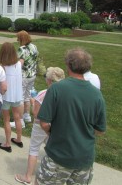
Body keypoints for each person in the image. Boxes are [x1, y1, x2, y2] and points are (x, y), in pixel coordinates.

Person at [35, 48, 106, 185]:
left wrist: (53, 133)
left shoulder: (56, 89)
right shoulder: (97, 95)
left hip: (58, 156)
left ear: (68, 65)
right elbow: (100, 130)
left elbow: (43, 122)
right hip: (84, 159)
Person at [15, 67, 65, 184]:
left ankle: (28, 177)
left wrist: (33, 102)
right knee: (50, 149)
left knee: (34, 149)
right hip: (55, 127)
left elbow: (36, 113)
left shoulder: (43, 94)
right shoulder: (65, 95)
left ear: (49, 81)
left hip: (40, 126)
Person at [0, 42, 24, 152]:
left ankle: (7, 143)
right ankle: (18, 139)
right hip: (17, 96)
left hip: (6, 97)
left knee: (7, 120)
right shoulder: (19, 64)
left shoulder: (1, 67)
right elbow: (22, 59)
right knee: (17, 117)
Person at [16, 30, 38, 124]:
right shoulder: (34, 46)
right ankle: (27, 116)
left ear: (21, 38)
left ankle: (20, 120)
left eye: (18, 38)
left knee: (20, 97)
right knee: (27, 96)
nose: (17, 39)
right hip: (32, 75)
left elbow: (20, 64)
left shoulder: (22, 49)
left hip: (24, 76)